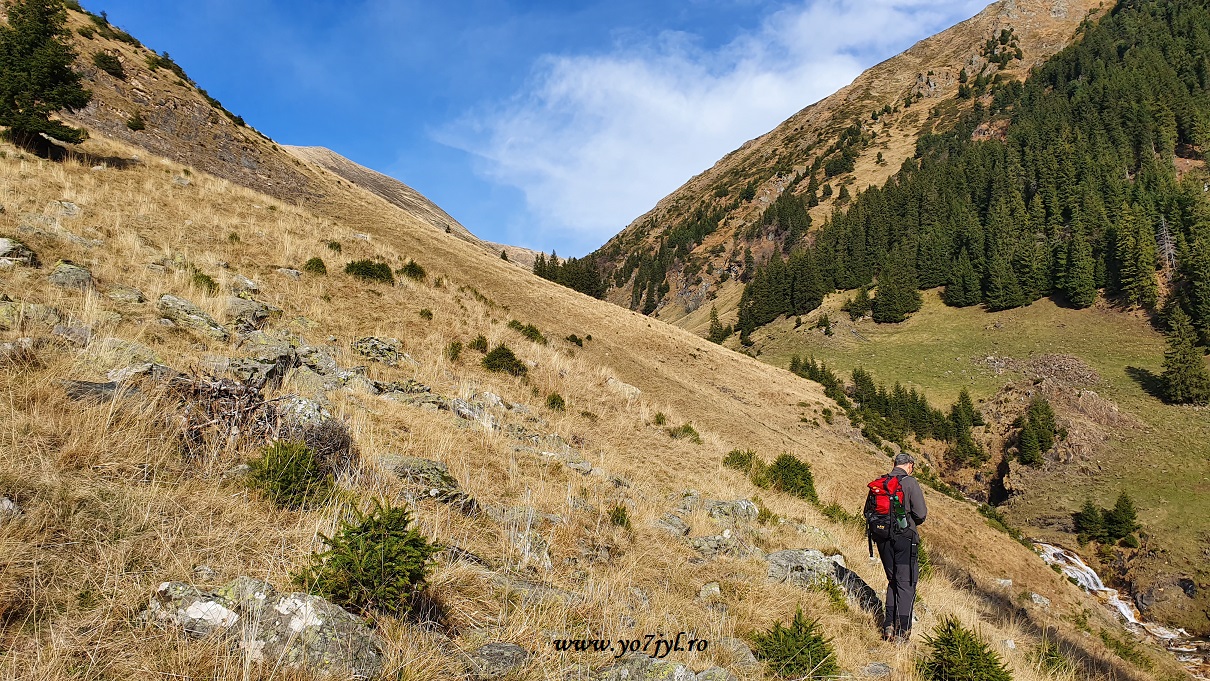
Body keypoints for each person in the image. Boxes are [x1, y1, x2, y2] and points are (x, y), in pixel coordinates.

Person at [866, 452, 927, 643]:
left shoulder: (880, 483)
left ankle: (888, 627)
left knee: (892, 581)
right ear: (910, 465)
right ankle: (902, 632)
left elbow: (867, 512)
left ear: (895, 464)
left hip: (882, 538)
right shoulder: (910, 483)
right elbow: (921, 514)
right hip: (904, 540)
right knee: (907, 584)